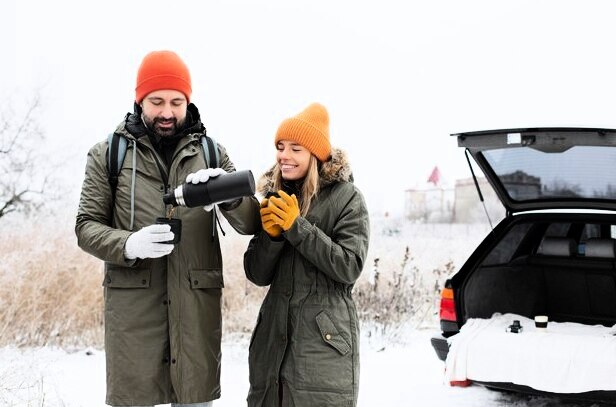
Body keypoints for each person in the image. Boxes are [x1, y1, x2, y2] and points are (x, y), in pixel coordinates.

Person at [75, 50, 260, 407]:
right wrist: (129, 244)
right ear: (139, 100)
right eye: (156, 101)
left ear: (187, 101)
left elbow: (250, 221)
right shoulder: (107, 154)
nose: (166, 112)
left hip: (195, 316)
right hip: (134, 319)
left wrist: (227, 194)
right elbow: (85, 227)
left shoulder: (211, 152)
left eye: (176, 102)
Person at [243, 102, 370, 406]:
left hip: (322, 346)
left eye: (295, 149)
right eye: (280, 147)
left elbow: (349, 266)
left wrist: (297, 227)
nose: (283, 156)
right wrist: (272, 238)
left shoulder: (347, 199)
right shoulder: (276, 197)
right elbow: (257, 275)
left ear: (316, 155)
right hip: (273, 340)